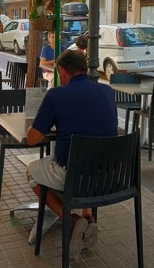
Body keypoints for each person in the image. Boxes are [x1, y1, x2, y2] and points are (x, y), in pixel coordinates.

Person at [26, 50, 117, 258]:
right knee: (89, 159)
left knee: (32, 171)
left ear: (61, 71)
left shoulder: (57, 94)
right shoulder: (107, 91)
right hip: (110, 178)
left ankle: (72, 220)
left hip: (74, 176)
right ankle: (89, 218)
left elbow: (32, 139)